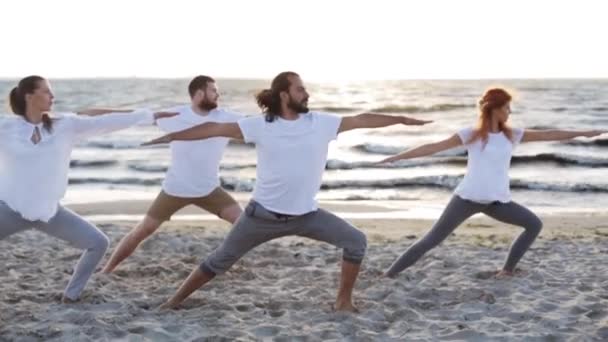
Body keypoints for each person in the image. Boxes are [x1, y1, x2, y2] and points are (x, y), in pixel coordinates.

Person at [141, 71, 432, 311]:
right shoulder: (261, 126)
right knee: (219, 261)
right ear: (284, 95)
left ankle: (343, 301)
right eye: (301, 89)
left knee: (356, 242)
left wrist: (401, 119)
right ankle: (174, 301)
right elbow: (211, 129)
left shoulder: (320, 123)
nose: (307, 94)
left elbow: (361, 119)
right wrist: (170, 137)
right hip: (261, 216)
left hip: (307, 215)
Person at [379, 88, 606, 279]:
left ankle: (506, 271)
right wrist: (398, 156)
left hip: (497, 201)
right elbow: (433, 147)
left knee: (533, 225)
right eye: (507, 107)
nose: (509, 112)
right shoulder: (471, 134)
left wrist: (583, 133)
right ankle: (389, 275)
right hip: (467, 198)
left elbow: (549, 134)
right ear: (495, 108)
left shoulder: (512, 135)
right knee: (431, 240)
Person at [0, 75, 175, 302]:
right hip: (9, 210)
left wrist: (148, 116)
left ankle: (71, 296)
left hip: (50, 213)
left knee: (98, 243)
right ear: (29, 96)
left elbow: (106, 122)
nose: (52, 96)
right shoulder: (5, 127)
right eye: (46, 91)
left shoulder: (65, 126)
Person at [102, 75, 242, 273]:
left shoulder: (227, 117)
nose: (218, 94)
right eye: (213, 90)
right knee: (144, 230)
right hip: (175, 189)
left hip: (209, 189)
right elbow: (135, 116)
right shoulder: (174, 115)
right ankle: (107, 269)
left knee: (243, 225)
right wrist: (95, 116)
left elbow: (260, 124)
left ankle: (224, 263)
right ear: (199, 93)